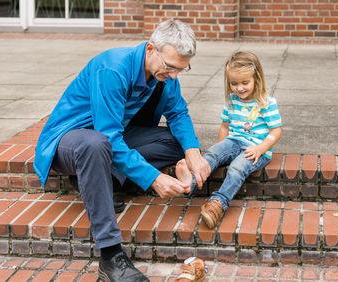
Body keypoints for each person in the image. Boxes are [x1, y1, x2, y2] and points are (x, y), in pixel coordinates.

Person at [33, 19, 210, 282]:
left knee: (177, 142)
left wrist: (193, 152)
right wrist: (152, 177)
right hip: (69, 141)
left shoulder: (164, 74)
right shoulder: (113, 68)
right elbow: (108, 137)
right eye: (170, 67)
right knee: (96, 145)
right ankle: (110, 257)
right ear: (151, 49)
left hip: (109, 137)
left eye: (180, 70)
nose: (173, 75)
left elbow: (178, 112)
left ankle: (104, 178)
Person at [175, 51, 282, 229]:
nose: (239, 88)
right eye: (234, 83)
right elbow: (225, 126)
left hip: (256, 149)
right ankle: (190, 182)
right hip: (234, 141)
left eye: (245, 83)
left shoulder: (266, 102)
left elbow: (276, 130)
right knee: (212, 154)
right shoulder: (231, 101)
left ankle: (217, 203)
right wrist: (220, 148)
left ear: (257, 78)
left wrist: (260, 149)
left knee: (237, 167)